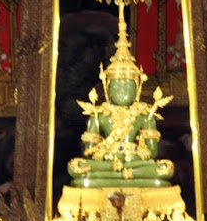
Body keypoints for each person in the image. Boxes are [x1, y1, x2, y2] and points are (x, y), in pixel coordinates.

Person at [68, 10, 174, 188]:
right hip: (107, 162)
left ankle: (127, 173)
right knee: (77, 169)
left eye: (127, 86)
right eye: (117, 86)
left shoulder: (145, 115)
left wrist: (134, 155)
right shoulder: (98, 115)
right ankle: (126, 174)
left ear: (137, 87)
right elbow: (89, 151)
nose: (122, 90)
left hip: (135, 162)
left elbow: (152, 151)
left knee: (163, 170)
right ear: (107, 88)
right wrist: (108, 156)